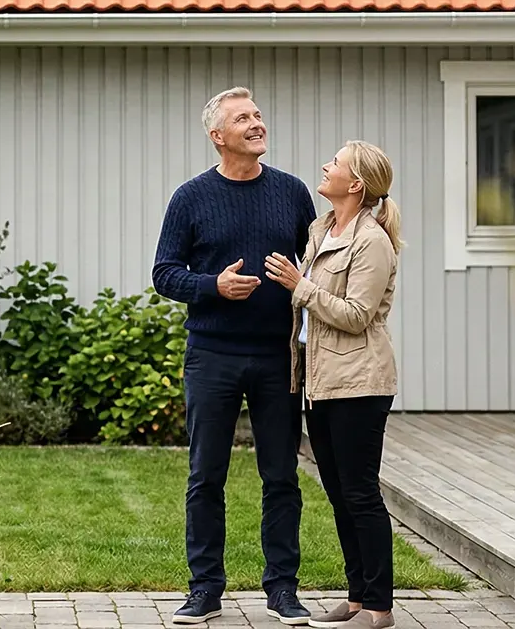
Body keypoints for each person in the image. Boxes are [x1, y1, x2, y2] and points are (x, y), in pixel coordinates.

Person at [152, 87, 317, 626]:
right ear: (217, 136)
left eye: (258, 114)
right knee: (206, 476)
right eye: (242, 118)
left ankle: (283, 589)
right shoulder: (190, 198)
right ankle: (204, 589)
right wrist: (212, 286)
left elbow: (318, 264)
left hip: (277, 357)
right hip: (212, 355)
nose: (256, 122)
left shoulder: (292, 194)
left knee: (282, 476)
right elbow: (164, 274)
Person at [264, 140, 401, 629]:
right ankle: (359, 596)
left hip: (360, 382)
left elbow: (358, 315)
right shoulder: (321, 229)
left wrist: (298, 286)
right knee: (341, 493)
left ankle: (381, 607)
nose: (325, 166)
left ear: (356, 183)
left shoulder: (372, 241)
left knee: (361, 492)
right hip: (321, 382)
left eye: (336, 163)